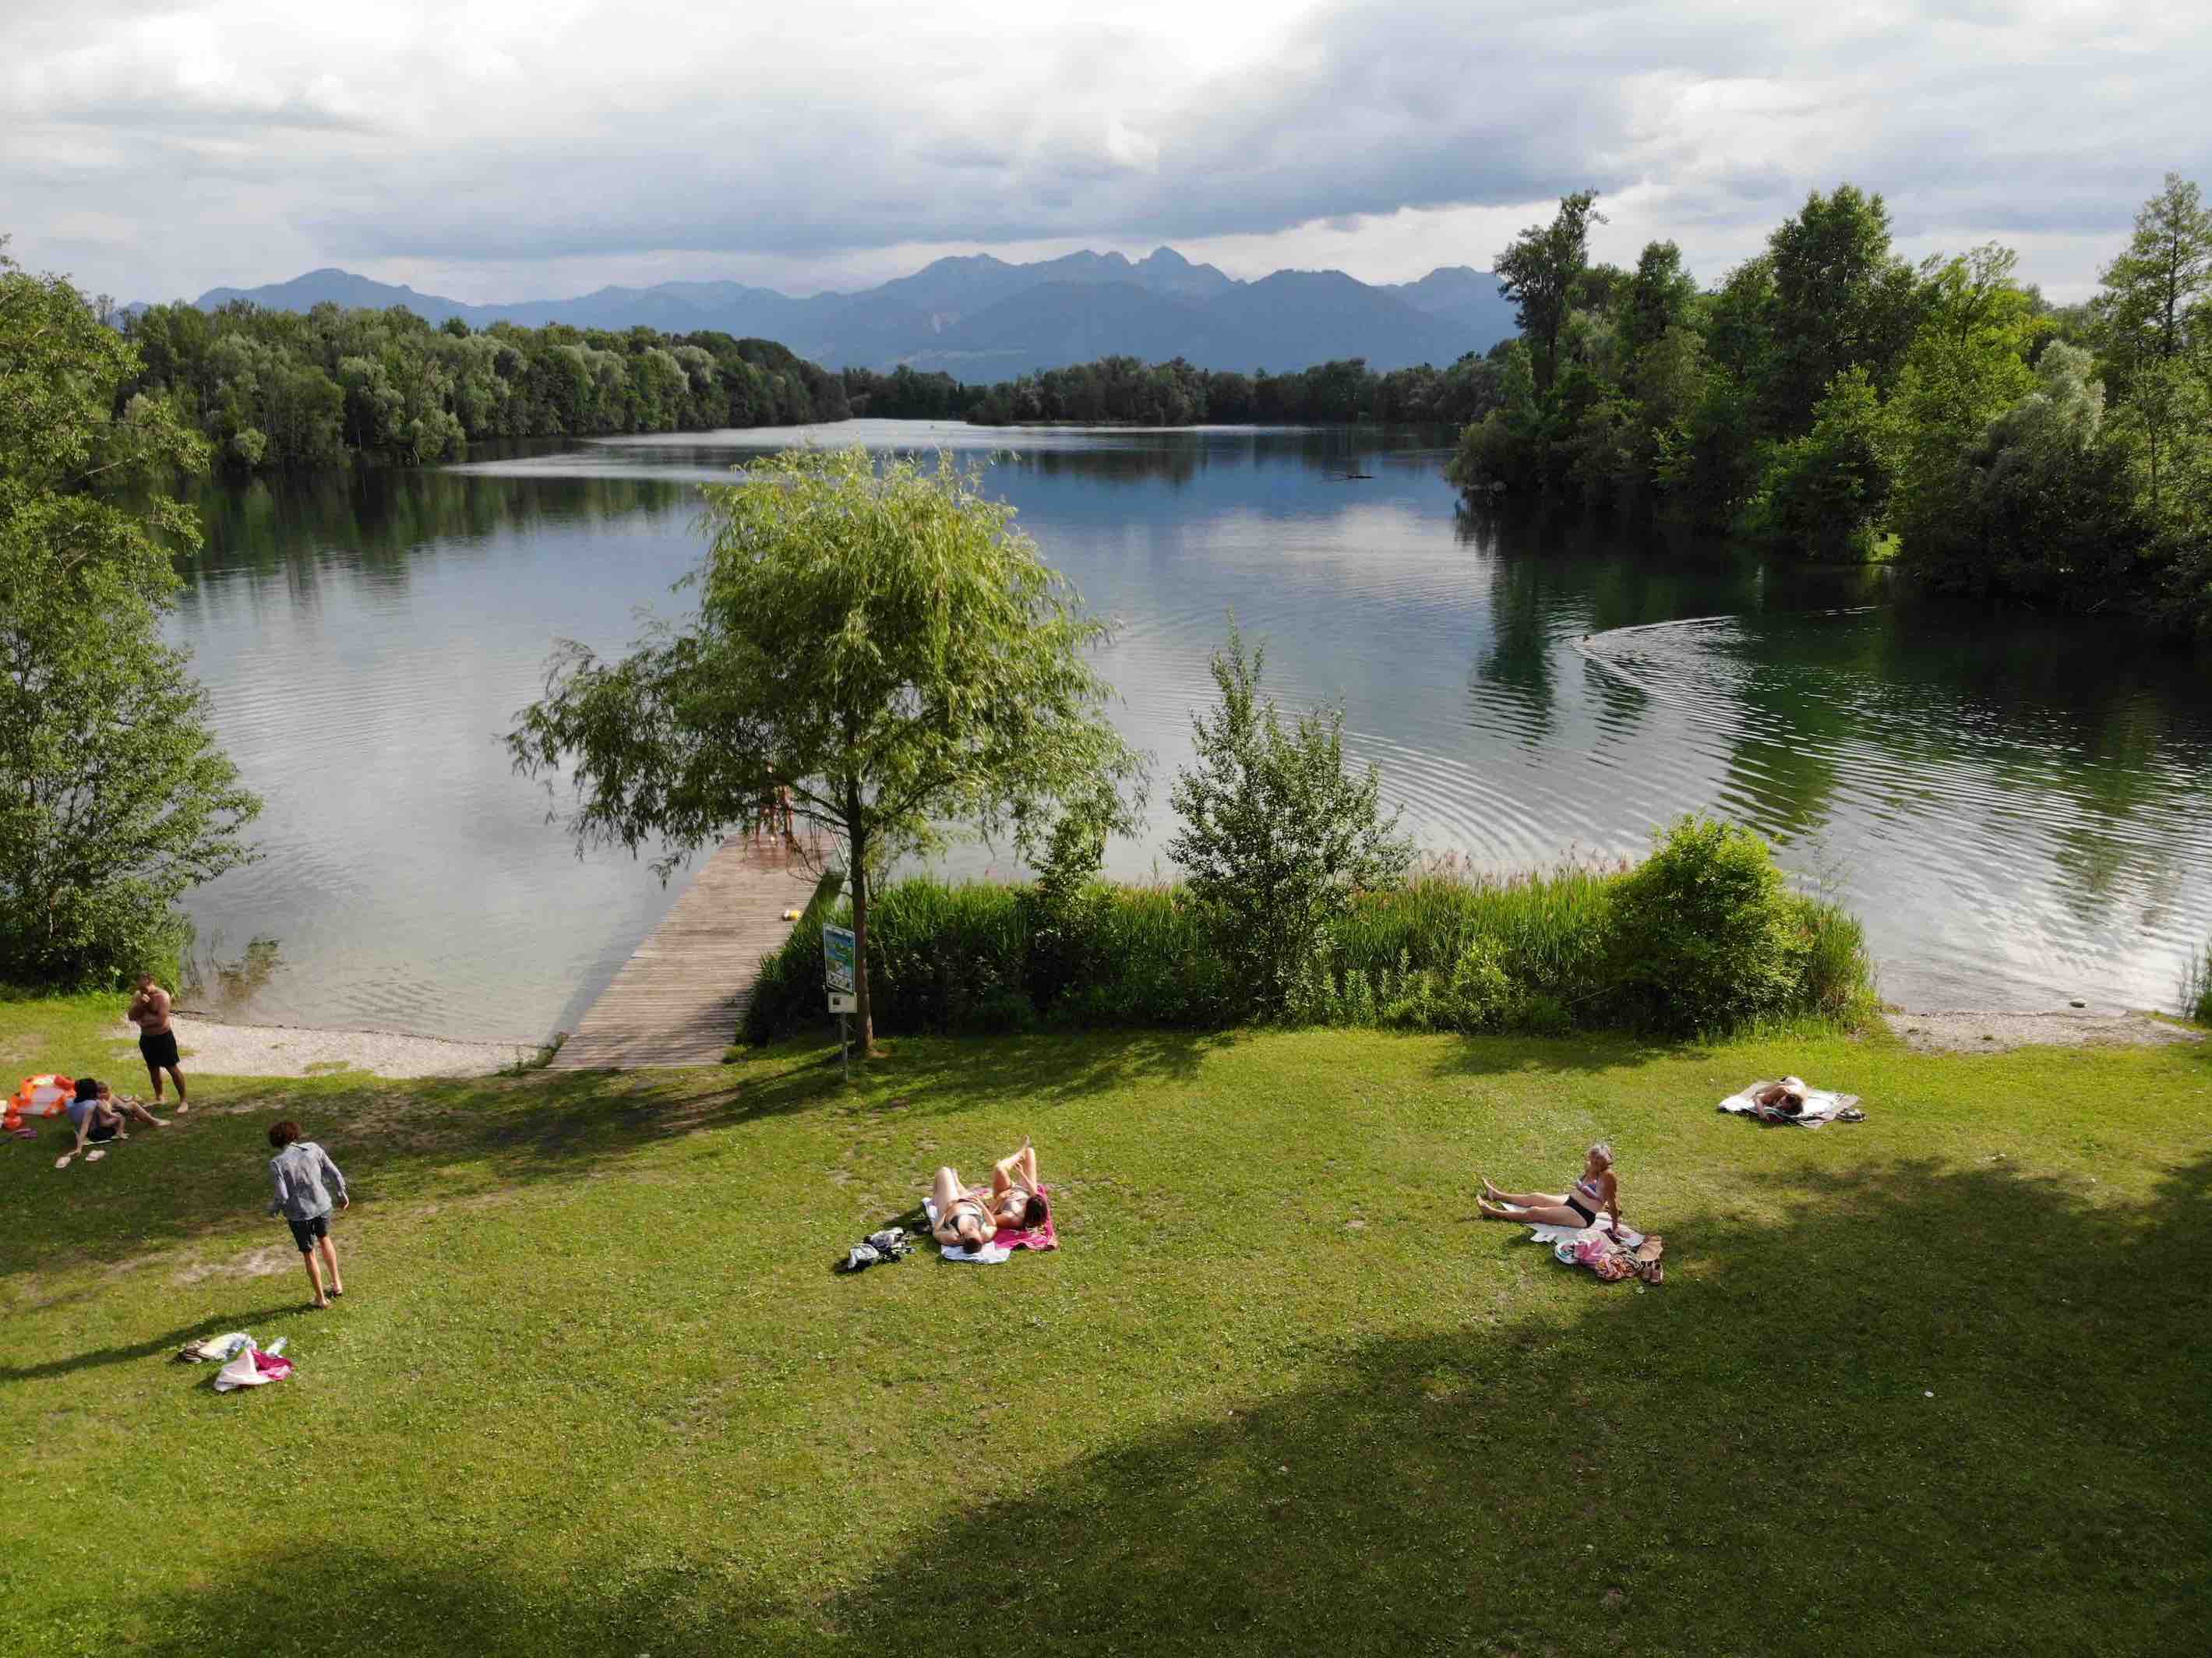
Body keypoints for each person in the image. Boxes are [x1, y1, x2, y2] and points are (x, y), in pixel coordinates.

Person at [267, 1120, 348, 1309]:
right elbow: (334, 1173)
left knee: (309, 1253)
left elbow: (282, 1195)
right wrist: (341, 1193)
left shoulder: (277, 1163)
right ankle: (337, 1284)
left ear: (276, 1141)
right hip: (322, 1205)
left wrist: (273, 1210)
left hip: (299, 1215)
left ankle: (321, 1299)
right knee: (325, 1239)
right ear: (295, 1134)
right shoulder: (313, 1148)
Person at [1478, 1142, 1625, 1233]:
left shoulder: (1608, 1177)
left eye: (1597, 1162)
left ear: (1606, 1162)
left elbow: (1612, 1203)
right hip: (1571, 1203)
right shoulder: (1589, 1167)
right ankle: (1496, 1195)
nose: (1593, 1164)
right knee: (1535, 1197)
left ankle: (1493, 1213)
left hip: (1582, 1215)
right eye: (1592, 1160)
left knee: (1534, 1212)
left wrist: (1615, 1226)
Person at [127, 973, 188, 1112]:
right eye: (140, 988)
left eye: (144, 988)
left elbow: (161, 1020)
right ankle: (160, 1097)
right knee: (153, 1068)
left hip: (163, 1038)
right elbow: (131, 1016)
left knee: (172, 1068)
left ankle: (184, 1101)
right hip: (147, 1039)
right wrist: (142, 1005)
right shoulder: (138, 995)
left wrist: (143, 1022)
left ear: (150, 982)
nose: (142, 991)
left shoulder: (163, 996)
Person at [930, 1165, 999, 1254]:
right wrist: (982, 1205)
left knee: (944, 1171)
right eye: (974, 1231)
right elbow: (993, 1225)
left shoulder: (953, 1237)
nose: (971, 1228)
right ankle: (956, 1182)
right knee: (968, 1194)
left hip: (951, 1203)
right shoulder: (985, 1235)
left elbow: (936, 1233)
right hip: (970, 1202)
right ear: (981, 1239)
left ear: (963, 1240)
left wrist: (946, 1211)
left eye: (969, 1231)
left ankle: (937, 1196)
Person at [985, 1136, 1049, 1230]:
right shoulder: (1035, 1208)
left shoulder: (1012, 1219)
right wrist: (1022, 1173)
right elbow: (1034, 1192)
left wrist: (998, 1199)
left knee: (1000, 1169)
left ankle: (1020, 1153)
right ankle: (1023, 1152)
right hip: (1022, 1190)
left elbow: (988, 1220)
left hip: (1005, 1194)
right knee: (1029, 1152)